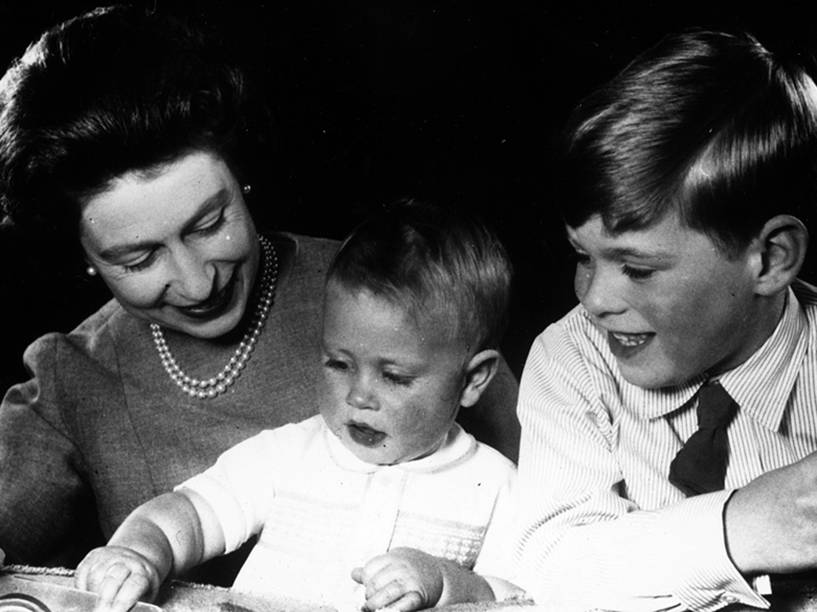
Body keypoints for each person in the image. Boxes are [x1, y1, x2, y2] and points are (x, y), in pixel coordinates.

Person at [0, 5, 521, 578]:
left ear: (239, 176)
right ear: (85, 256)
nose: (200, 282)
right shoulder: (68, 374)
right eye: (139, 258)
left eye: (209, 223)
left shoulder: (406, 299)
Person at [73, 200, 522, 612]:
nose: (359, 396)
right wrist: (139, 551)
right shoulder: (291, 453)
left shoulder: (498, 486)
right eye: (339, 363)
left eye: (395, 377)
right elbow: (191, 512)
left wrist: (445, 583)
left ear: (473, 379)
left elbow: (519, 596)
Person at [512, 28, 817, 611]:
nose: (595, 298)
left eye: (639, 269)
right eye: (582, 256)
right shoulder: (573, 357)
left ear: (771, 259)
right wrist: (740, 526)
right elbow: (551, 564)